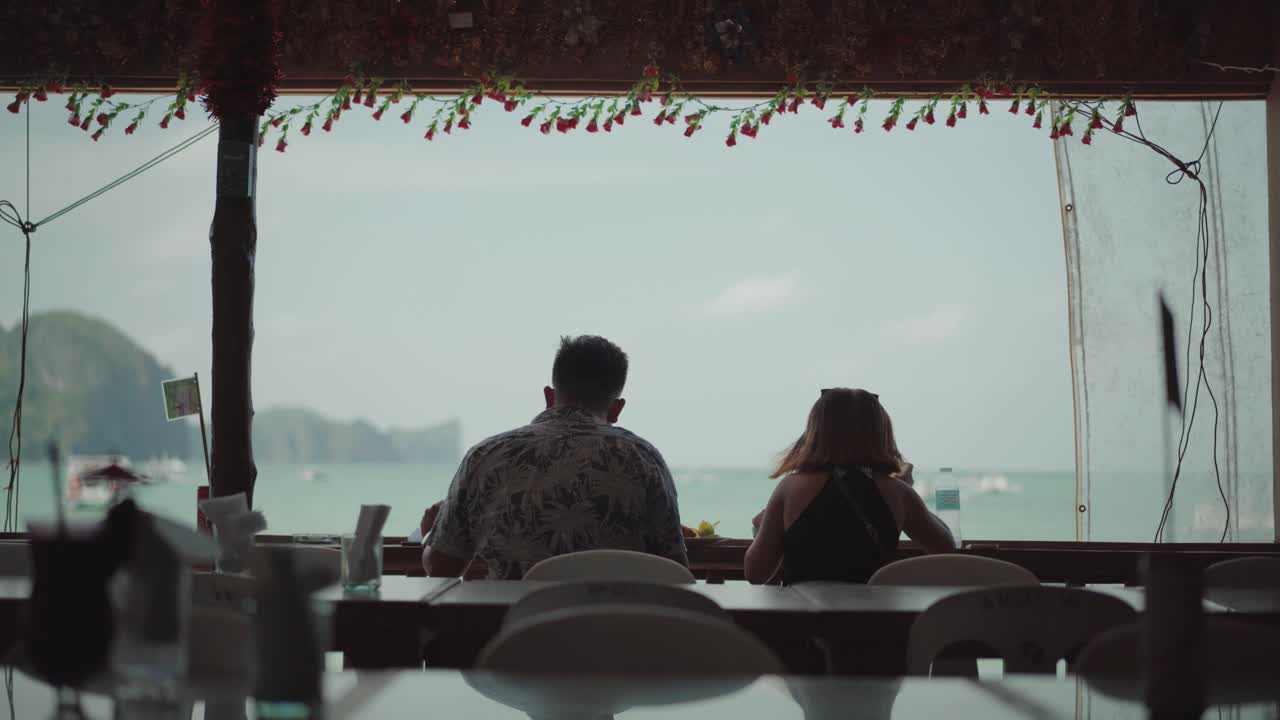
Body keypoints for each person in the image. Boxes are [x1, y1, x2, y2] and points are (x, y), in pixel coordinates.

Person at [421, 335, 688, 579]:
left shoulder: (485, 455)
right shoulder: (644, 459)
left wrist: (431, 536)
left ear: (549, 396)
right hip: (613, 629)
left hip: (514, 628)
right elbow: (674, 571)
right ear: (617, 409)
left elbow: (441, 568)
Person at [744, 388, 954, 585]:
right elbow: (945, 547)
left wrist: (766, 528)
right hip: (873, 620)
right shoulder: (897, 491)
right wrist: (907, 491)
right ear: (881, 434)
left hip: (806, 620)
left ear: (815, 433)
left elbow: (755, 573)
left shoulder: (791, 487)